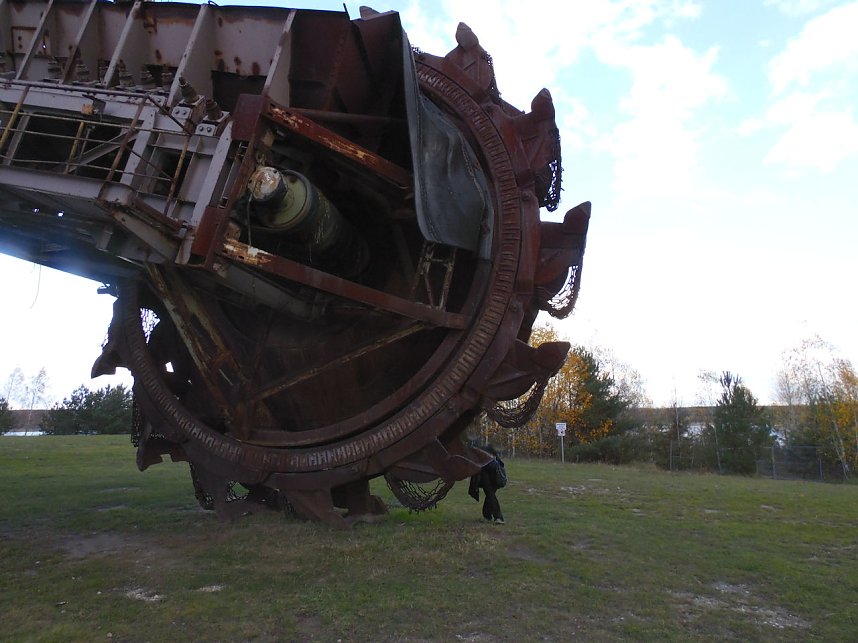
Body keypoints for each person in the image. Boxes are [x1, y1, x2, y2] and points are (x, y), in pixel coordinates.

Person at [468, 445, 505, 523]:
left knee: (490, 495)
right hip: (494, 475)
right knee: (490, 495)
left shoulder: (486, 462)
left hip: (492, 475)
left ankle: (498, 517)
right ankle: (487, 516)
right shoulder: (493, 460)